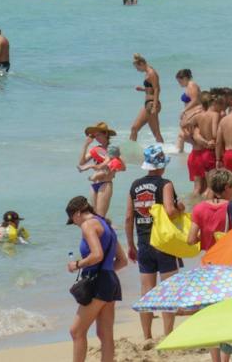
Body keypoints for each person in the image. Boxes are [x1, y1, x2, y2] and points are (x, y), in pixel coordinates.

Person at [126, 145, 182, 344]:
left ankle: (147, 336)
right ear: (161, 166)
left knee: (147, 291)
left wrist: (131, 245)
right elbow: (169, 211)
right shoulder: (165, 184)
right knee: (169, 289)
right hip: (164, 244)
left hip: (143, 243)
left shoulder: (134, 186)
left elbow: (128, 217)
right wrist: (179, 207)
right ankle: (168, 334)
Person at [66, 195, 122, 362]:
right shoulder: (107, 225)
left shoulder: (88, 225)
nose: (76, 225)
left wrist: (77, 264)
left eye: (73, 221)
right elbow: (122, 260)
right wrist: (105, 274)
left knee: (76, 331)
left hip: (99, 283)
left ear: (77, 214)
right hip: (111, 281)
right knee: (105, 334)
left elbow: (97, 255)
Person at [130, 54, 163, 145]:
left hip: (152, 104)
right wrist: (143, 89)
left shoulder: (151, 73)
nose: (137, 70)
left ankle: (162, 154)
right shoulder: (148, 73)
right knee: (134, 128)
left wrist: (154, 106)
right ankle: (130, 151)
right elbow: (151, 89)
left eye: (137, 67)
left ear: (141, 63)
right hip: (148, 104)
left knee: (156, 133)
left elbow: (157, 89)